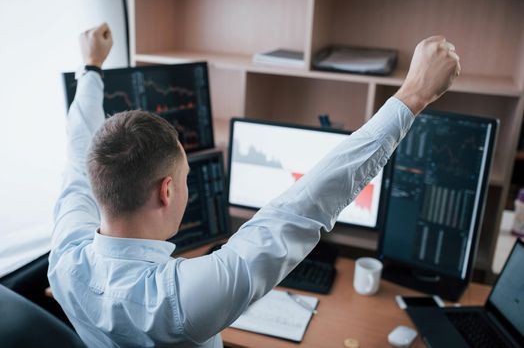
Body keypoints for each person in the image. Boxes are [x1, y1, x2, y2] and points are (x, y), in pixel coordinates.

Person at [48, 22, 460, 347]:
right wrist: (414, 95)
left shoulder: (64, 255)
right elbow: (304, 205)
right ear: (167, 191)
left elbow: (77, 147)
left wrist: (91, 68)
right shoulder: (178, 300)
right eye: (186, 177)